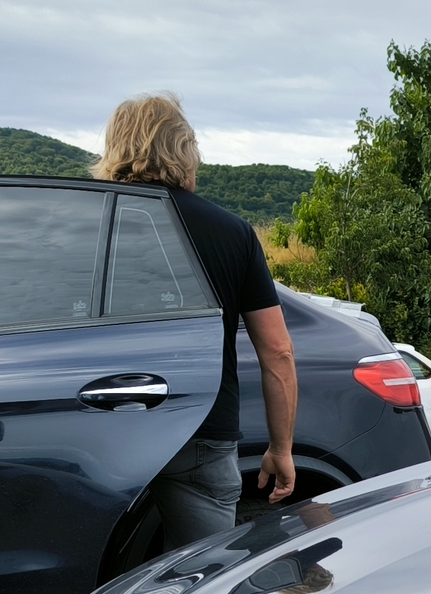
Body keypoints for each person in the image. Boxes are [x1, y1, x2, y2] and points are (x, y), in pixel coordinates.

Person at [93, 93, 297, 547]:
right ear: (185, 150)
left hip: (97, 428)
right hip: (198, 426)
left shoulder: (85, 226)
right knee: (202, 578)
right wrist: (280, 449)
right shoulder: (232, 232)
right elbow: (278, 351)